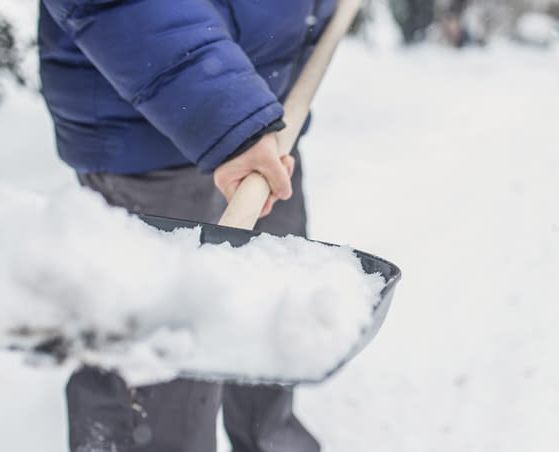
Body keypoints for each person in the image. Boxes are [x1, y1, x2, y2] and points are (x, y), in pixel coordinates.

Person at [37, 1, 337, 451]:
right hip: (150, 140)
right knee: (158, 378)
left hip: (267, 119)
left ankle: (268, 439)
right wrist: (227, 114)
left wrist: (251, 118)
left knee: (267, 318)